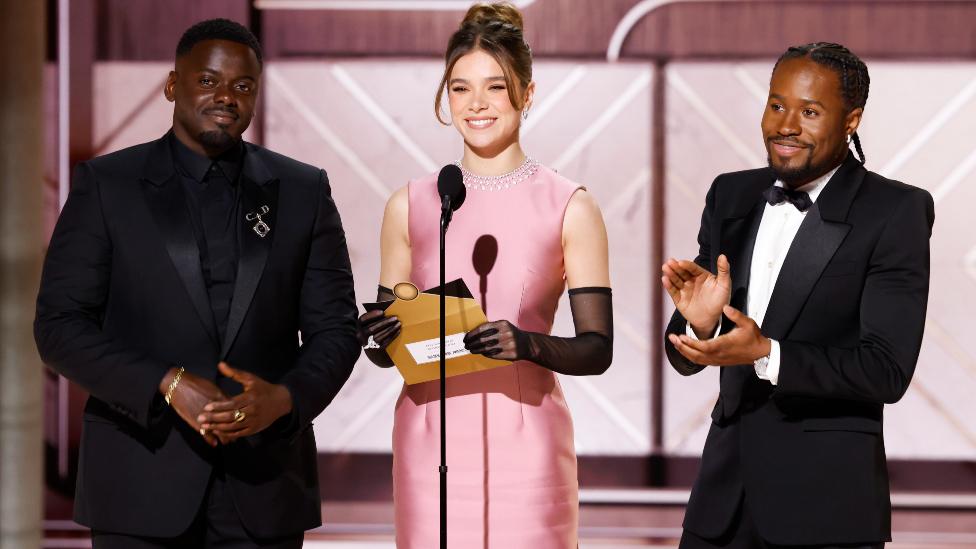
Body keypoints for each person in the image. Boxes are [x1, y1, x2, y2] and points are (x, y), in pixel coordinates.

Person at [34, 18, 360, 548]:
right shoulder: (107, 185)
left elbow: (337, 331)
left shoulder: (303, 190)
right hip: (138, 480)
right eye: (208, 80)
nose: (226, 96)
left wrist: (281, 400)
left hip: (265, 485)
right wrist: (167, 383)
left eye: (243, 85)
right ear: (172, 85)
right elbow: (59, 328)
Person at [357, 2, 613, 547]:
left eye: (495, 87)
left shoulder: (569, 205)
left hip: (528, 442)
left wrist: (525, 344)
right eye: (460, 88)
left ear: (527, 92)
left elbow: (597, 348)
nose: (477, 104)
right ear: (445, 97)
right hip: (431, 443)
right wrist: (378, 338)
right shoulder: (411, 204)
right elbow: (385, 349)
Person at [662, 42, 934, 549]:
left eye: (810, 111)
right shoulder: (731, 195)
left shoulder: (895, 211)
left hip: (827, 511)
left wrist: (767, 354)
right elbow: (687, 349)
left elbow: (886, 370)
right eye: (776, 104)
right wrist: (702, 326)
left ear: (851, 120)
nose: (786, 124)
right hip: (720, 507)